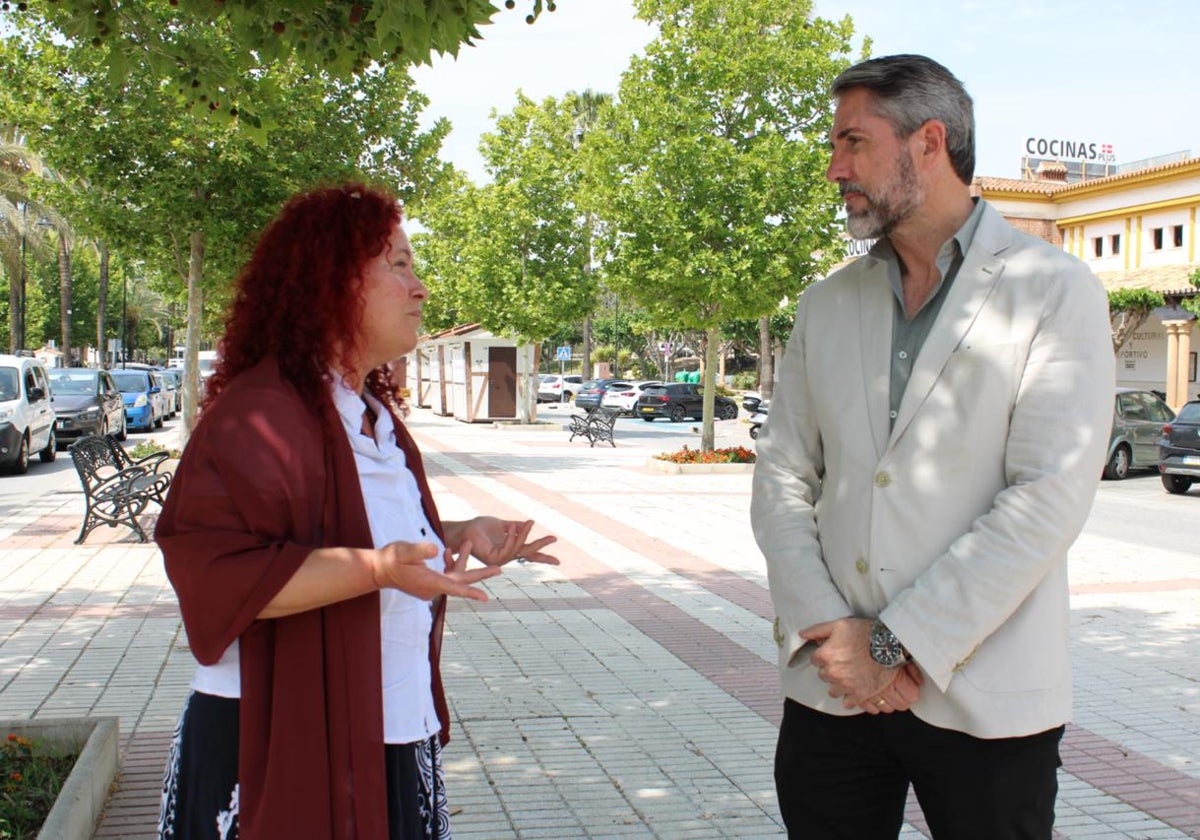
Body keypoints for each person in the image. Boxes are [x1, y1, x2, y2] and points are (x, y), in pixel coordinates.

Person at [750, 55, 1114, 839]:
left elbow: (1047, 497)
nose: (833, 167)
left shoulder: (1053, 289)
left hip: (986, 696)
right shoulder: (826, 303)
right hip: (831, 691)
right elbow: (782, 477)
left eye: (853, 142)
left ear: (929, 142)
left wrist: (894, 642)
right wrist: (831, 633)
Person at [155, 183, 558, 840]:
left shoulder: (374, 419)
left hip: (394, 730)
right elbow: (217, 574)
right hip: (278, 744)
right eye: (398, 265)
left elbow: (352, 531)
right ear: (331, 282)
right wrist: (376, 569)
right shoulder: (260, 415)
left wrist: (453, 534)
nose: (420, 288)